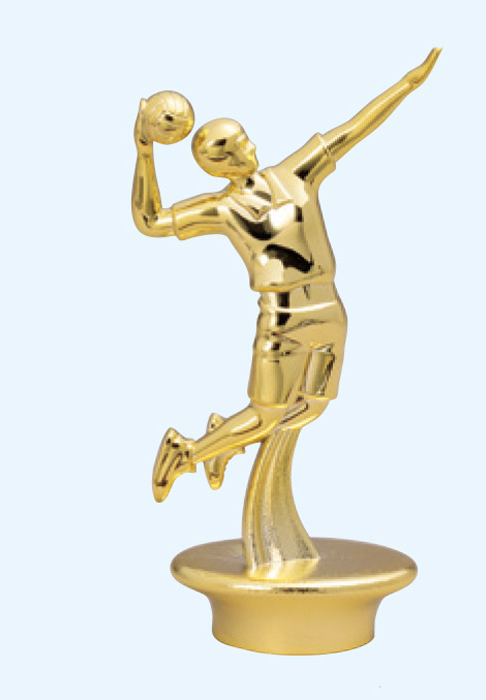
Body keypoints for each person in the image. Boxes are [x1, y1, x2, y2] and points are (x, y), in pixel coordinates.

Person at [132, 49, 441, 502]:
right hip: (282, 320)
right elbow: (151, 221)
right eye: (236, 147)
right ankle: (188, 452)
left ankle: (224, 439)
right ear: (219, 165)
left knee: (313, 406)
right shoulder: (221, 208)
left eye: (245, 138)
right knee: (266, 415)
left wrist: (407, 84)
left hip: (330, 310)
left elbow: (353, 129)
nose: (250, 148)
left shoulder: (293, 173)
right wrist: (143, 150)